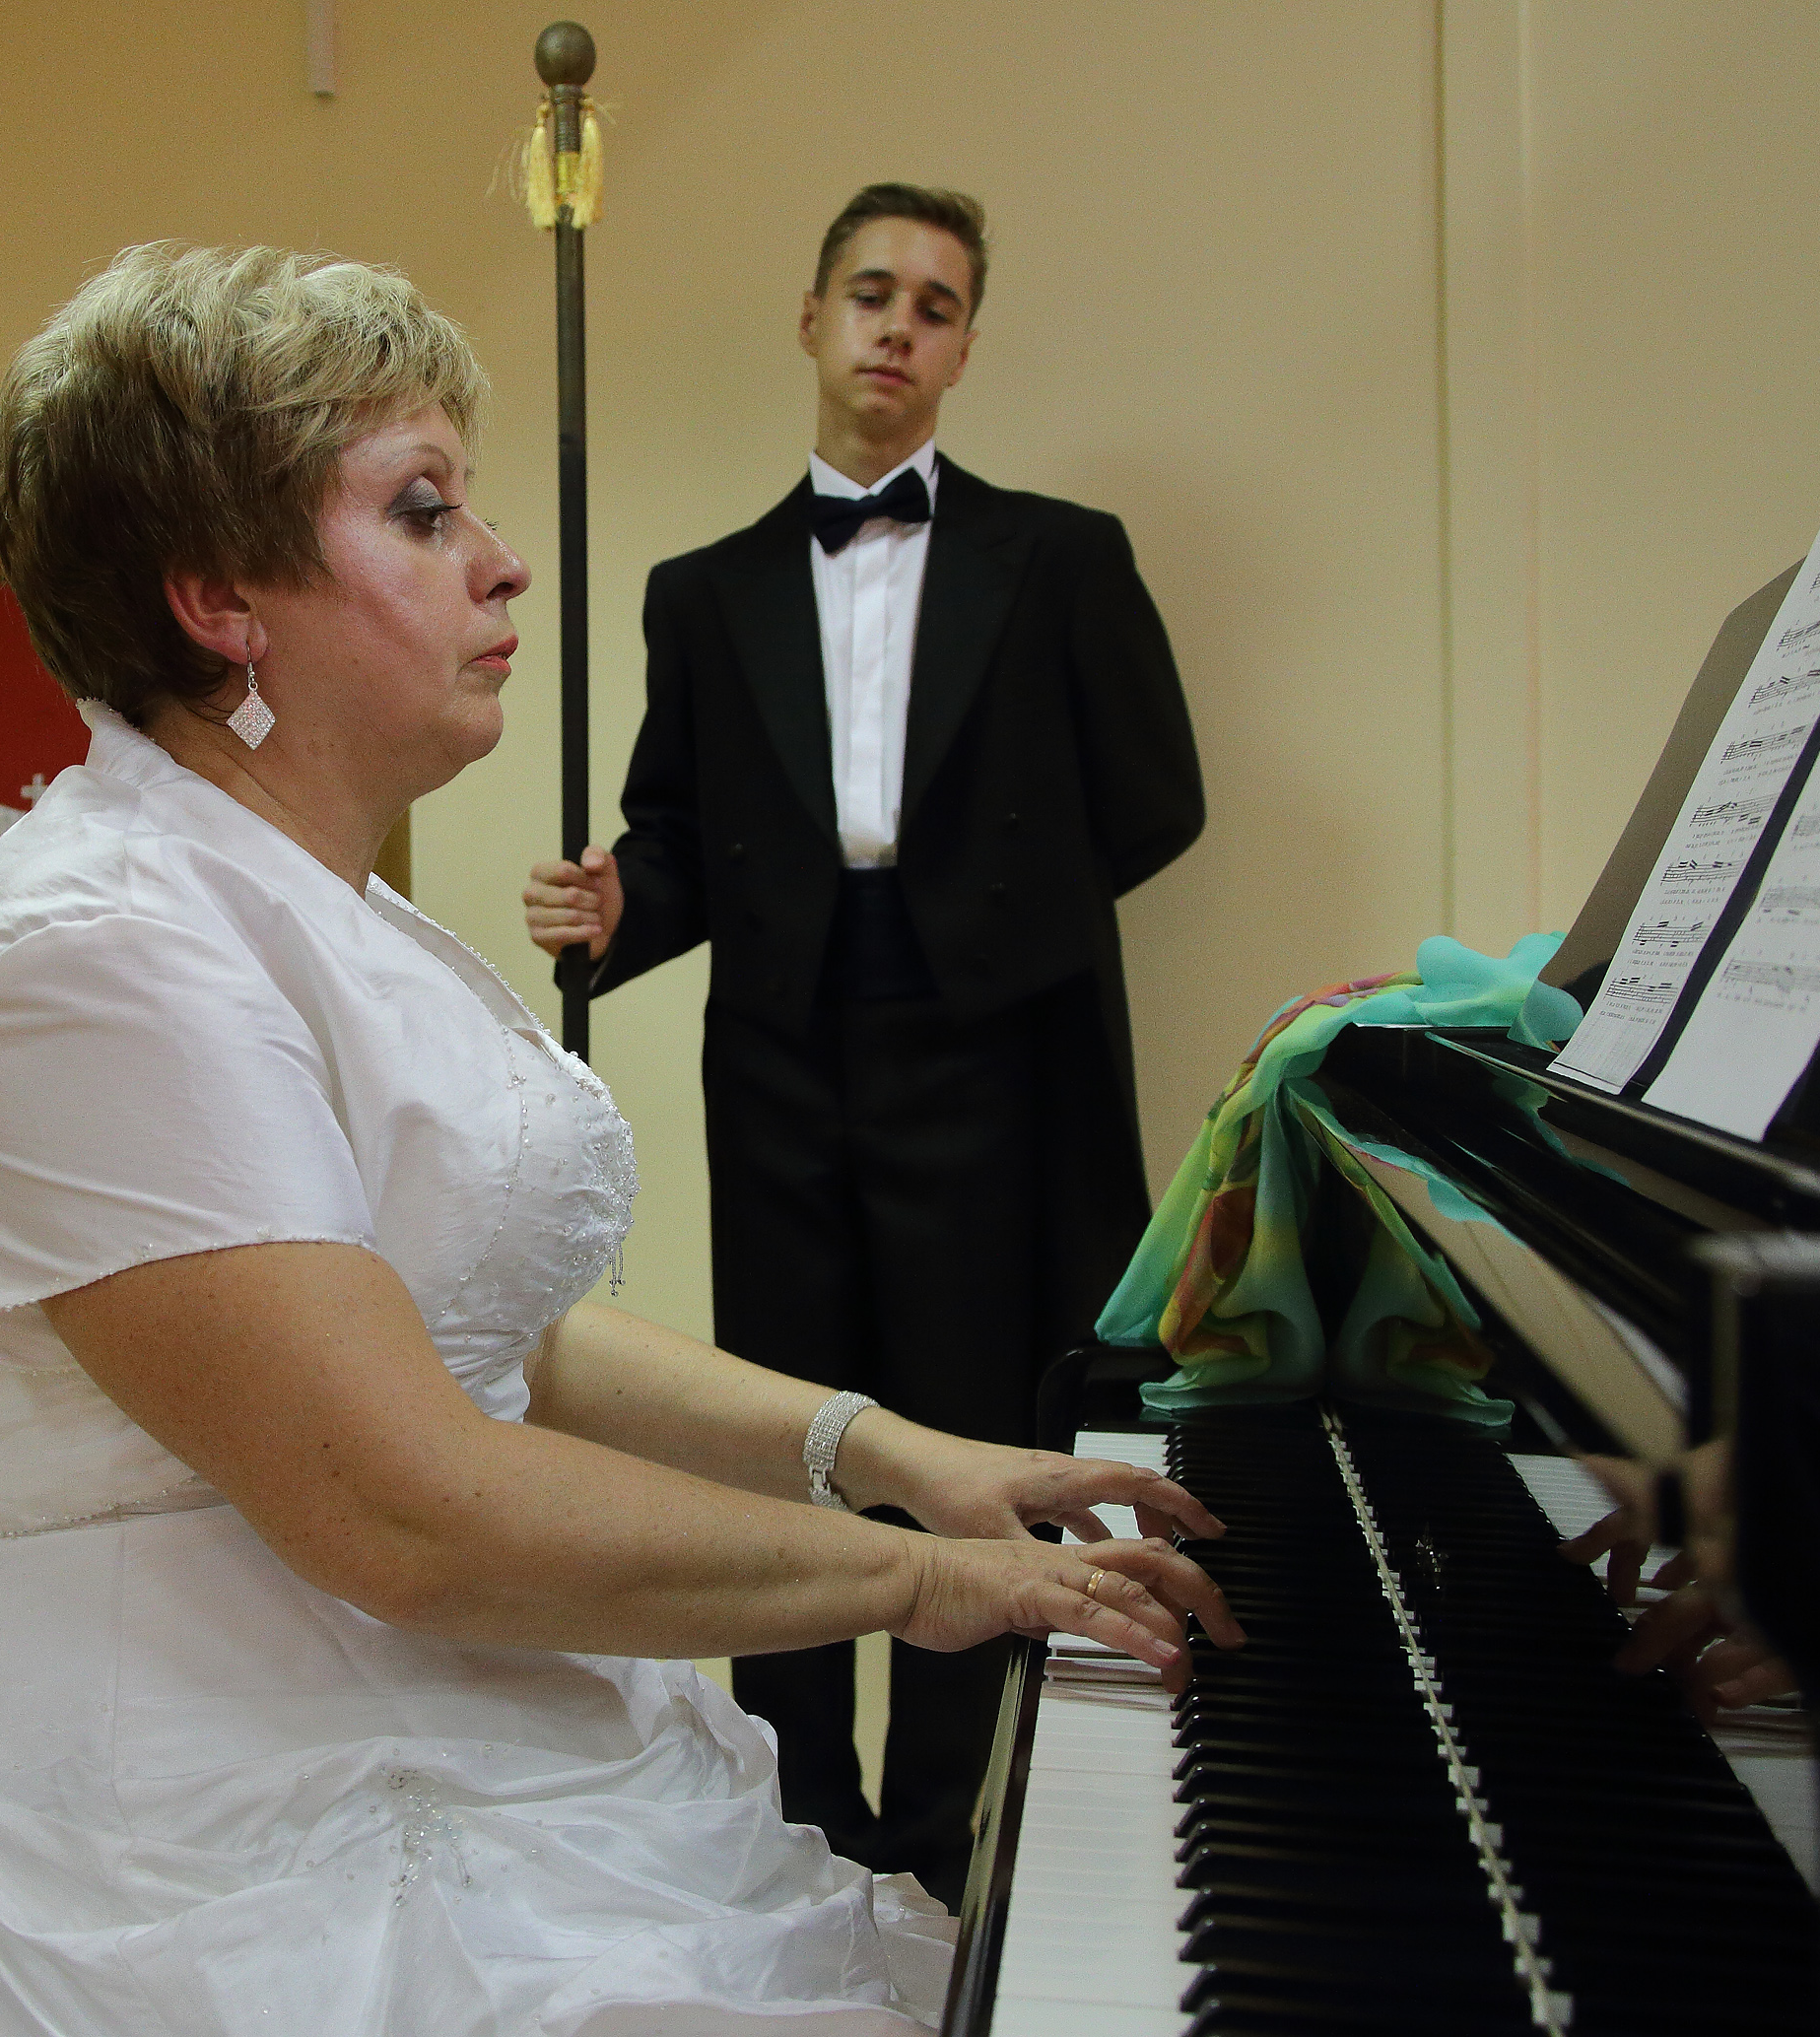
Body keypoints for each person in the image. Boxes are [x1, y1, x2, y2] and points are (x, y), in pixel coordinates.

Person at [0, 242, 1240, 2036]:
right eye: (420, 510)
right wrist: (928, 1581)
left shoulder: (321, 909)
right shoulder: (89, 956)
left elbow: (486, 1324)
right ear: (221, 602)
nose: (500, 559)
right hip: (156, 1825)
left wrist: (895, 1453)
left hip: (377, 1693)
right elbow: (396, 1503)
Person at [523, 185, 1206, 1901]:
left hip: (992, 1059)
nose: (899, 326)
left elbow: (1152, 800)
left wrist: (987, 931)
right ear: (813, 318)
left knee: (966, 1435)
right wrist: (618, 906)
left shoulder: (1061, 557)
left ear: (962, 348)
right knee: (796, 1434)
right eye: (872, 292)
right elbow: (678, 833)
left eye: (936, 304)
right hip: (780, 1056)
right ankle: (795, 1831)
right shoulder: (703, 591)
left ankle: (945, 1851)